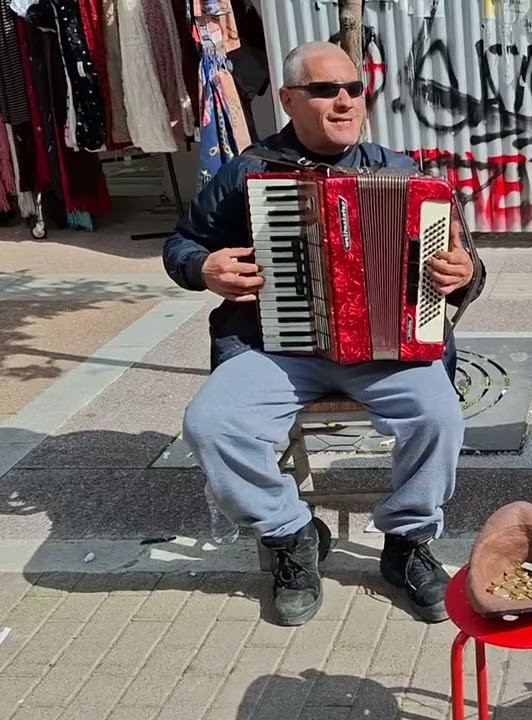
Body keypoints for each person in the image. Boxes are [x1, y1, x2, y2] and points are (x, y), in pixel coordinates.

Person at [162, 41, 485, 627]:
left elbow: (470, 267)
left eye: (353, 89)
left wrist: (463, 276)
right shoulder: (251, 171)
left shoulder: (404, 174)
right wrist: (202, 267)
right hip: (277, 344)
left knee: (439, 417)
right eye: (324, 90)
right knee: (211, 423)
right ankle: (291, 536)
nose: (343, 101)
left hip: (388, 349)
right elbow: (184, 242)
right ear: (287, 99)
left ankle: (407, 544)